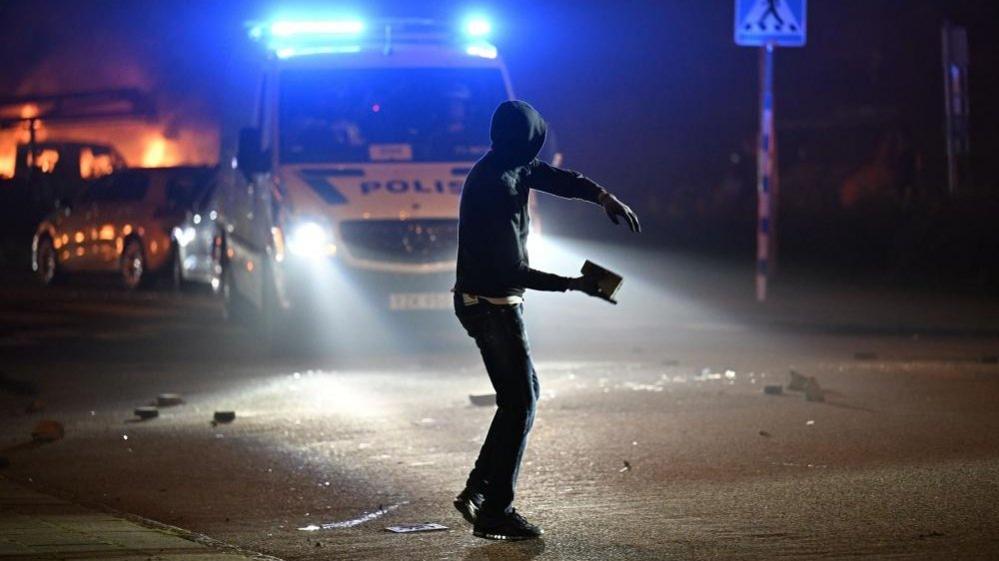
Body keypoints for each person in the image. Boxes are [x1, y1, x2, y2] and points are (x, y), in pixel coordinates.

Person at [452, 100, 640, 540]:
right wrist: (574, 285)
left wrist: (601, 195)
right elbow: (512, 272)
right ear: (525, 139)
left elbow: (556, 177)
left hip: (493, 301)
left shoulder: (512, 162)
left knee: (521, 396)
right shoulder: (493, 184)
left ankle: (479, 491)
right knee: (520, 403)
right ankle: (495, 509)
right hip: (490, 304)